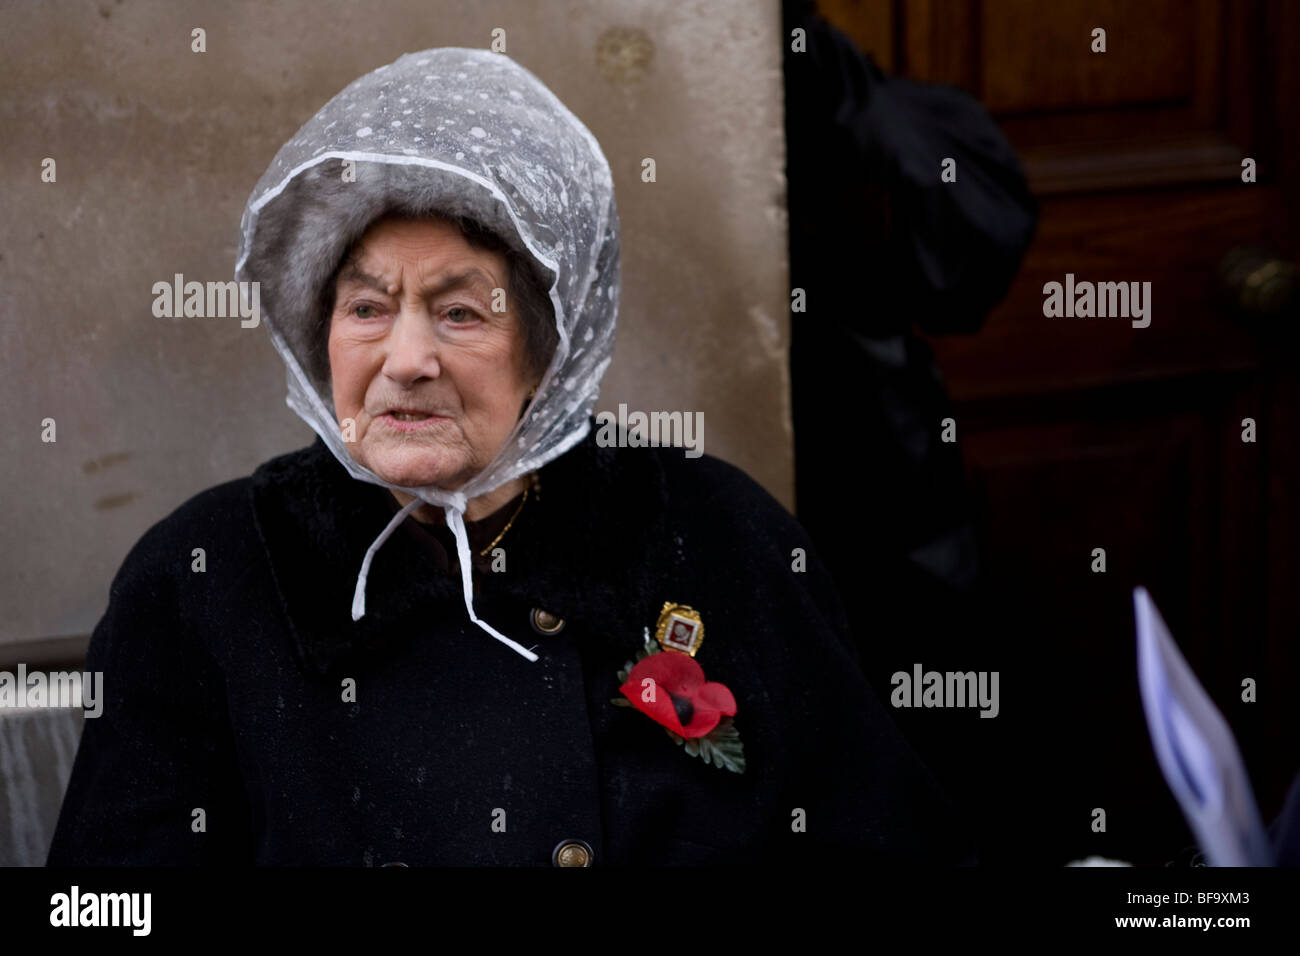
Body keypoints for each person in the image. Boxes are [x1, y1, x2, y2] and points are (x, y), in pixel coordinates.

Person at [46, 47, 972, 866]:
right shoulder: (205, 580)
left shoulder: (718, 534)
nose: (405, 361)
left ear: (550, 348)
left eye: (460, 312)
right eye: (366, 309)